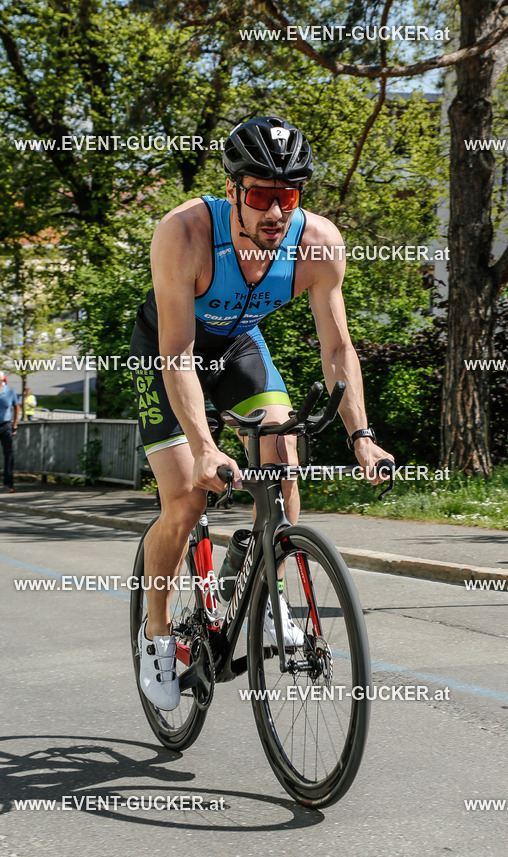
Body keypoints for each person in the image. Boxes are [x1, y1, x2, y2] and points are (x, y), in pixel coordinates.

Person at [130, 115, 394, 710]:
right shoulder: (185, 234)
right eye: (260, 195)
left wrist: (362, 436)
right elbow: (177, 351)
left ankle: (272, 599)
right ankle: (156, 635)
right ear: (233, 193)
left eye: (288, 196)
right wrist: (204, 445)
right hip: (167, 352)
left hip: (240, 348)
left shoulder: (317, 243)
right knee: (187, 499)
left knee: (282, 449)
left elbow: (336, 347)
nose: (275, 211)